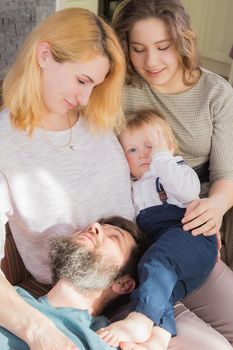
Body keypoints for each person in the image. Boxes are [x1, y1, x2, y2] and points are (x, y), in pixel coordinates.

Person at [0, 7, 135, 350]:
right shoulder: (6, 143)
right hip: (74, 307)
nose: (85, 99)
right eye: (82, 81)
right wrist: (40, 332)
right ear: (44, 55)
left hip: (144, 283)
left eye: (96, 85)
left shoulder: (97, 119)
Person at [112, 0, 233, 349]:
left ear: (183, 42)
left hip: (195, 201)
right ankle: (155, 322)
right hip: (141, 206)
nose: (151, 62)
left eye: (163, 48)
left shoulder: (216, 92)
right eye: (138, 49)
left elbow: (226, 172)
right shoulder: (122, 89)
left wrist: (216, 207)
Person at [97, 110, 218, 350]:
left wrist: (163, 158)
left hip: (191, 235)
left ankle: (139, 320)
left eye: (150, 146)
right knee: (158, 284)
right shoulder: (133, 187)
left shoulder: (176, 171)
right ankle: (158, 338)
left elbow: (187, 192)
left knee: (156, 261)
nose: (142, 154)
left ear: (168, 146)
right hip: (169, 252)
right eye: (131, 150)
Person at [0, 216, 144, 350]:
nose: (93, 226)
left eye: (114, 237)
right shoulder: (13, 296)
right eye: (92, 226)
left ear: (123, 284)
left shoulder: (106, 339)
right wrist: (38, 331)